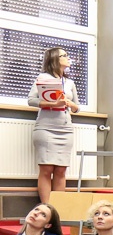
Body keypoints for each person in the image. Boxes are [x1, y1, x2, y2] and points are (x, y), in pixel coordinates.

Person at [27, 47, 80, 203]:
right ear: (55, 59)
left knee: (61, 170)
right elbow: (31, 100)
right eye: (64, 55)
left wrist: (70, 104)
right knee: (46, 169)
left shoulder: (70, 82)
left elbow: (77, 107)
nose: (68, 58)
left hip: (65, 129)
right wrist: (53, 103)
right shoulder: (43, 77)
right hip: (46, 128)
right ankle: (46, 208)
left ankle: (57, 209)